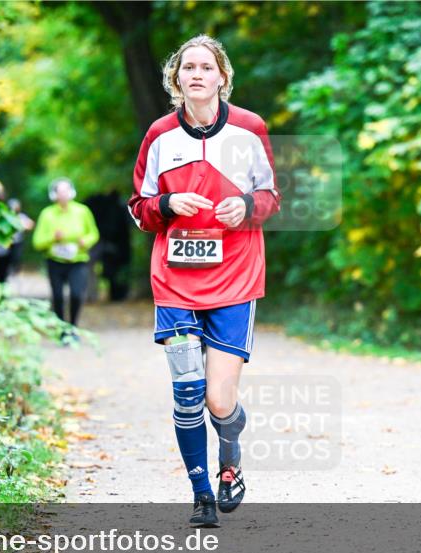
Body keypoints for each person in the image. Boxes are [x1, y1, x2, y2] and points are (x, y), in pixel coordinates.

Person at [128, 34, 280, 526]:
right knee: (187, 391)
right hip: (175, 281)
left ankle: (230, 458)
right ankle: (201, 493)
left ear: (221, 76)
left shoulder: (250, 128)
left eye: (206, 67)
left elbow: (271, 196)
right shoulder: (159, 136)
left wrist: (247, 206)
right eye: (187, 67)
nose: (196, 74)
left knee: (219, 399)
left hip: (235, 278)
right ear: (176, 79)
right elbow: (140, 208)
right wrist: (167, 205)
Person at [33, 178, 100, 335]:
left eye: (66, 190)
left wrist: (86, 241)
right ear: (53, 194)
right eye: (59, 191)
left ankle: (73, 326)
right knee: (58, 297)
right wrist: (53, 238)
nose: (63, 194)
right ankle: (62, 329)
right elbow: (37, 242)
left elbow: (94, 234)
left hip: (78, 261)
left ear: (72, 192)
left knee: (77, 294)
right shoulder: (47, 214)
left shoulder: (83, 211)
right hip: (55, 261)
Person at [83, 189, 132, 302]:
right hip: (112, 241)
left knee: (90, 267)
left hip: (104, 240)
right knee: (111, 268)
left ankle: (91, 295)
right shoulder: (119, 205)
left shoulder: (94, 203)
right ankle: (112, 295)